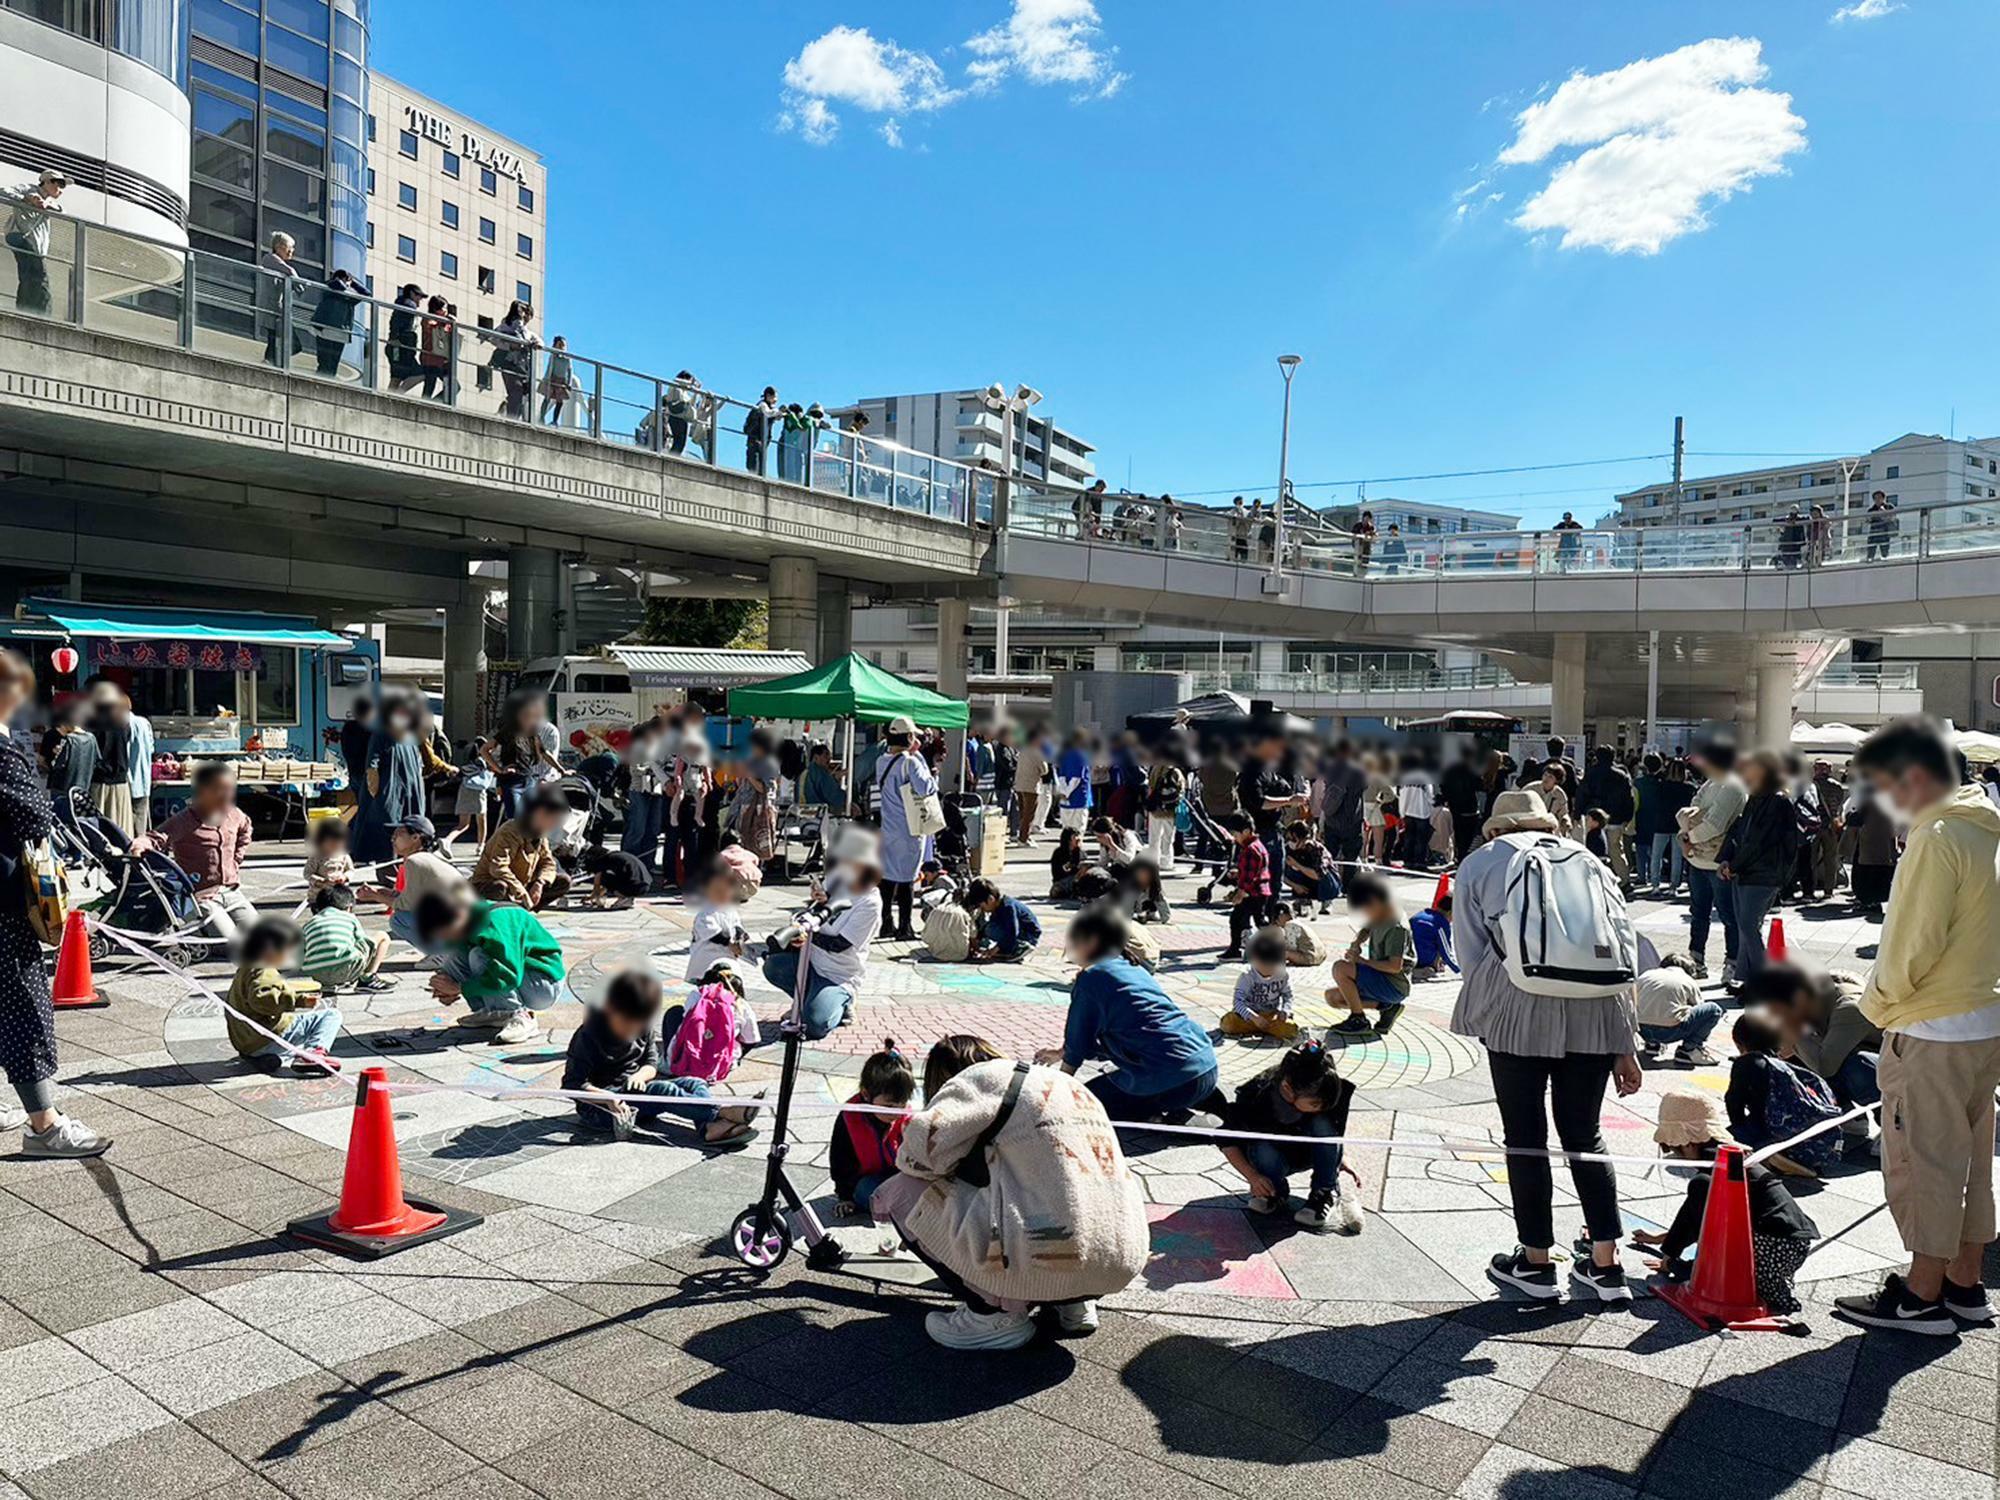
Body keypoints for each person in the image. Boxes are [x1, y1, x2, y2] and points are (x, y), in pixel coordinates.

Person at [1835, 717, 2000, 1334]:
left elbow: (1911, 947)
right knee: (1971, 1160)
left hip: (1933, 1025)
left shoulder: (1936, 835)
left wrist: (1874, 1008)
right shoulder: (1986, 827)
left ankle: (1919, 1297)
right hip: (1986, 1018)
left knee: (1926, 1162)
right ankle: (1965, 1283)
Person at [1452, 787, 1642, 1304]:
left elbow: (1470, 954)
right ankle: (1606, 1264)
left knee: (1525, 1135)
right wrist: (1626, 1041)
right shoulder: (1587, 859)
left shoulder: (1480, 863)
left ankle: (1536, 1263)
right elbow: (1621, 942)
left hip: (1518, 1007)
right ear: (1548, 824)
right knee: (1585, 1131)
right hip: (1596, 1009)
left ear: (1496, 828)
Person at [869, 1032, 1146, 1350]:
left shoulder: (982, 1079)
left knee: (898, 1190)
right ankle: (1071, 1304)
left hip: (1051, 1258)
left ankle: (990, 1315)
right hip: (1119, 1258)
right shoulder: (1065, 1085)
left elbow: (918, 1155)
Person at [0, 651, 109, 1156]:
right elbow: (35, 816)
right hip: (4, 901)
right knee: (23, 1002)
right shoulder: (2, 752)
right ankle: (44, 1123)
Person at [1633, 1091, 1818, 1316]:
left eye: (1676, 1149)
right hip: (1791, 1242)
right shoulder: (1726, 1157)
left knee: (1706, 1277)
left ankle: (1765, 1289)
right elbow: (1695, 1213)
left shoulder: (1711, 1173)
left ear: (1688, 1142)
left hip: (1773, 1244)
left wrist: (1669, 1257)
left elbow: (1697, 1211)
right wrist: (1664, 1241)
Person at [1039, 906, 1223, 1123]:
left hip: (1176, 1079)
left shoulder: (1091, 977)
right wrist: (1062, 1052)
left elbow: (1078, 1042)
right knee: (1119, 1081)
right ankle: (1191, 1107)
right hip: (1205, 1065)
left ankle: (1176, 1119)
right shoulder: (1131, 965)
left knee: (1088, 1101)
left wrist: (1059, 1093)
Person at [564, 970, 755, 1144]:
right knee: (664, 1089)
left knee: (694, 1083)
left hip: (636, 1090)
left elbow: (650, 1062)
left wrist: (639, 1076)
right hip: (605, 1108)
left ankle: (708, 1128)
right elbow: (572, 1084)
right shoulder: (589, 1034)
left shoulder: (642, 1025)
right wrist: (608, 1098)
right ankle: (721, 1112)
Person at [1221, 1042, 1361, 1232]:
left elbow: (1332, 1135)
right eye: (1314, 1104)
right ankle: (1274, 1191)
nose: (1322, 1107)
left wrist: (1335, 1158)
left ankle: (1323, 1193)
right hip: (1274, 1153)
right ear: (1287, 1088)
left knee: (1322, 1122)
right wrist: (1253, 1177)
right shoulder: (1256, 1096)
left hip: (1307, 1150)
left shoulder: (1327, 1089)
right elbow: (1226, 1140)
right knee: (1261, 1146)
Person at [761, 831, 883, 1039]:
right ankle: (807, 1001)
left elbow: (840, 944)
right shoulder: (837, 878)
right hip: (811, 961)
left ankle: (843, 1003)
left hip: (838, 974)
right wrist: (816, 900)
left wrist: (808, 935)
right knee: (773, 966)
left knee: (815, 1025)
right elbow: (817, 910)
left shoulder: (870, 902)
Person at [416, 887, 573, 1045]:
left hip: (543, 985)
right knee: (458, 955)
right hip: (524, 977)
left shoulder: (495, 923)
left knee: (479, 955)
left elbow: (506, 976)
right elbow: (457, 961)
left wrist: (459, 988)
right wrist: (444, 985)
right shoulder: (466, 922)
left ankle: (519, 1015)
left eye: (446, 932)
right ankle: (494, 1012)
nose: (446, 939)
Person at [1742, 962, 1880, 1140]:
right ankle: (1848, 1117)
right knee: (1793, 1058)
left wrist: (1793, 1036)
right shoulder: (1817, 1000)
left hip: (1892, 1071)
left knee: (1857, 1066)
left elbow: (1825, 1066)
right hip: (1858, 1055)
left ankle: (1895, 1129)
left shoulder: (1849, 1007)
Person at [148, 760, 256, 947]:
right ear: (203, 790)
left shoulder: (234, 814)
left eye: (230, 789)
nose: (226, 795)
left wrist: (236, 860)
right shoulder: (185, 820)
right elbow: (157, 837)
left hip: (230, 892)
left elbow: (246, 829)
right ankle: (196, 931)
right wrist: (140, 845)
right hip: (202, 897)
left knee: (265, 937)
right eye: (219, 789)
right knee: (232, 946)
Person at [1724, 1008, 1842, 1176]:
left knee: (1720, 1139)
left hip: (1769, 1132)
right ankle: (1790, 1158)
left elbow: (1733, 1103)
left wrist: (1737, 1133)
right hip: (1809, 1139)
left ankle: (1769, 1154)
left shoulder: (1747, 1063)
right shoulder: (1788, 1065)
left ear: (1739, 1042)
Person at [1716, 748, 1798, 983]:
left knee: (1748, 927)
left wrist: (1733, 864)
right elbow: (1739, 832)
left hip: (1763, 873)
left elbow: (1759, 841)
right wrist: (1726, 859)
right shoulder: (1757, 798)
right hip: (1747, 871)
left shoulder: (1777, 802)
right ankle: (1746, 977)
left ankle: (1762, 981)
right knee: (1746, 928)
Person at [225, 918, 341, 1073]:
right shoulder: (263, 968)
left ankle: (272, 1058)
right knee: (331, 1015)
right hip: (266, 1036)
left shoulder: (246, 968)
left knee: (295, 1041)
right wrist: (298, 1000)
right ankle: (313, 1054)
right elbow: (260, 999)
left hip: (247, 1043)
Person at [1677, 741, 1748, 981]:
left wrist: (1689, 836)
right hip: (1698, 859)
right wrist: (1691, 830)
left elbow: (1715, 824)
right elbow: (1688, 811)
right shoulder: (1712, 782)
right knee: (1699, 913)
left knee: (1729, 915)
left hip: (1719, 862)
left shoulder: (1733, 785)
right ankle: (1696, 958)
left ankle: (1733, 962)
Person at [831, 1040, 915, 1216]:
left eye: (902, 1104)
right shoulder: (850, 1117)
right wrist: (844, 1196)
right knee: (868, 1193)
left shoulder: (906, 1116)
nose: (897, 1112)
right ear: (866, 1095)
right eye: (889, 1106)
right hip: (866, 1180)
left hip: (898, 1174)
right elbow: (839, 1161)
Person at [1327, 873, 1412, 1037]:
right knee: (1333, 998)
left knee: (1340, 968)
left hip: (1393, 984)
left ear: (1374, 901)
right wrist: (1357, 943)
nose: (1364, 913)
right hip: (1379, 978)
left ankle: (1358, 1019)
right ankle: (1387, 1007)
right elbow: (1367, 928)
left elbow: (1395, 967)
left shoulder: (1396, 927)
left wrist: (1362, 961)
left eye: (1365, 908)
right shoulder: (1381, 911)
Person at [876, 716, 937, 942]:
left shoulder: (881, 761)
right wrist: (920, 756)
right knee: (907, 878)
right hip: (910, 828)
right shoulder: (910, 762)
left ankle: (886, 923)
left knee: (888, 877)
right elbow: (926, 788)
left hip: (888, 827)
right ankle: (905, 926)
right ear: (909, 737)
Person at [352, 694, 426, 866]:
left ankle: (402, 863)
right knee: (386, 831)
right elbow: (372, 768)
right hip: (390, 791)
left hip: (408, 791)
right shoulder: (382, 734)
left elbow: (419, 763)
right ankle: (387, 864)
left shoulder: (409, 736)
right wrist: (377, 795)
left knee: (408, 828)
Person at [472, 787, 571, 910]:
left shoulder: (541, 833)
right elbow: (498, 867)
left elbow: (548, 863)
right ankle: (507, 911)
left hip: (519, 884)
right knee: (500, 887)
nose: (557, 824)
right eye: (555, 819)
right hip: (490, 883)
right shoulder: (510, 831)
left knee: (563, 881)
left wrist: (539, 883)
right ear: (541, 813)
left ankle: (523, 909)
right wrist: (522, 892)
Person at [297, 885, 392, 995]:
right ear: (349, 907)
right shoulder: (349, 917)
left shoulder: (309, 924)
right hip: (347, 967)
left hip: (316, 973)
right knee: (382, 937)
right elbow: (362, 940)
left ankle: (328, 984)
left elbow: (300, 952)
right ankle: (367, 979)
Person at [1634, 951, 1723, 1065]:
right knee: (1714, 1010)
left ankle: (1652, 1045)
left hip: (1641, 1029)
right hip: (1671, 1030)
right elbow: (1698, 1006)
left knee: (1650, 1008)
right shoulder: (1687, 980)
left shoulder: (1647, 975)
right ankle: (1689, 1049)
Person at [6, 169, 66, 315]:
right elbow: (4, 190)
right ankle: (44, 314)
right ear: (46, 181)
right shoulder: (28, 189)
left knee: (28, 276)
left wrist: (47, 204)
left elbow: (61, 210)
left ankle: (24, 309)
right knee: (41, 276)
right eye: (58, 184)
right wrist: (25, 199)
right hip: (21, 235)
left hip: (36, 244)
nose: (60, 190)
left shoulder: (50, 201)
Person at [1221, 929, 1298, 1040]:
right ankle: (1256, 1028)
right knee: (1229, 1024)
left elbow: (1288, 996)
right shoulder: (1247, 976)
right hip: (1248, 1017)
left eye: (1273, 965)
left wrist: (1285, 1010)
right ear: (1254, 960)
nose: (1269, 969)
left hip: (1270, 1016)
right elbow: (1237, 1003)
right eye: (1265, 965)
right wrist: (1254, 1017)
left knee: (1290, 1029)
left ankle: (1266, 1028)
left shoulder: (1282, 975)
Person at [1220, 813, 1275, 960]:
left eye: (1235, 834)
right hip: (1259, 891)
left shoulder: (1250, 849)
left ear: (1245, 831)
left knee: (1246, 920)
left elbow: (1251, 876)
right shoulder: (1257, 846)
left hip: (1253, 892)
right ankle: (1237, 949)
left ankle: (1274, 944)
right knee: (1253, 920)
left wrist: (1240, 892)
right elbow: (1253, 870)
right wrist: (1239, 873)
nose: (1234, 838)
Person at [87, 685, 138, 836]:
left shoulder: (92, 723)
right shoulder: (123, 724)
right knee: (120, 826)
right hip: (120, 782)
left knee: (100, 828)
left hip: (99, 781)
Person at [1580, 747, 1634, 882]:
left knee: (1594, 850)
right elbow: (1629, 798)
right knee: (1616, 851)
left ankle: (1595, 879)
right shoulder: (1621, 775)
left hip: (1595, 817)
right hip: (1617, 818)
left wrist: (1578, 813)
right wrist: (1627, 817)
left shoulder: (1591, 773)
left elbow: (1583, 794)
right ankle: (1624, 879)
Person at [1843, 782, 1898, 916]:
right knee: (1880, 875)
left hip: (1868, 846)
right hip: (1885, 847)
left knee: (1866, 876)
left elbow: (1854, 820)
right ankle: (1876, 902)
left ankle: (1868, 903)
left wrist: (1850, 814)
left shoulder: (1868, 805)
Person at [1318, 739, 1367, 879]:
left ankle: (1330, 883)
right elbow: (1364, 788)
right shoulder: (1358, 771)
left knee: (1329, 855)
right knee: (1351, 857)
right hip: (1352, 819)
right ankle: (1347, 886)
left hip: (1332, 817)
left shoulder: (1330, 767)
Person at [963, 878, 1041, 962]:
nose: (982, 910)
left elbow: (1012, 931)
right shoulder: (997, 907)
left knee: (991, 929)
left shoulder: (1008, 907)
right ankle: (1009, 947)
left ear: (990, 899)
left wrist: (995, 949)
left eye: (982, 906)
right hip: (1018, 932)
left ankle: (1020, 947)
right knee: (987, 928)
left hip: (1028, 935)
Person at [258, 231, 303, 366]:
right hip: (272, 308)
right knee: (280, 340)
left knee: (277, 341)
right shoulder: (270, 258)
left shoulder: (274, 261)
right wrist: (299, 285)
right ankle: (272, 363)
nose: (291, 251)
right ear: (279, 246)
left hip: (277, 309)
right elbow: (289, 271)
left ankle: (272, 362)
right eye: (289, 247)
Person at [309, 268, 363, 377]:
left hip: (340, 333)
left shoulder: (349, 295)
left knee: (333, 364)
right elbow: (337, 284)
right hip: (325, 330)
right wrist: (346, 284)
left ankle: (327, 383)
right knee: (324, 362)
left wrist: (354, 284)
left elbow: (367, 294)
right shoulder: (330, 286)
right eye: (347, 280)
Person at [1632, 753, 1674, 889]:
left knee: (1640, 848)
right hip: (1659, 819)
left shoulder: (1637, 782)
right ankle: (1654, 875)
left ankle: (1641, 876)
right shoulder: (1663, 783)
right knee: (1656, 852)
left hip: (1641, 817)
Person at [1142, 745, 1186, 875]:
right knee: (1168, 838)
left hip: (1155, 809)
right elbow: (1181, 791)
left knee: (1154, 838)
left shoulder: (1155, 769)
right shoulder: (1176, 771)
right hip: (1169, 810)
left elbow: (1150, 788)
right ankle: (1166, 863)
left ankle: (1153, 861)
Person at [491, 300, 537, 419]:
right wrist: (510, 345)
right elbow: (494, 338)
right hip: (511, 362)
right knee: (516, 392)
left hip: (520, 365)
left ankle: (509, 413)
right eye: (523, 312)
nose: (525, 316)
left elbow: (535, 340)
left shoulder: (524, 329)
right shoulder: (507, 325)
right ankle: (511, 418)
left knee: (520, 393)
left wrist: (531, 343)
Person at [45, 698, 97, 803]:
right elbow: (96, 761)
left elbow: (58, 765)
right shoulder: (92, 738)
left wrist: (57, 754)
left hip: (63, 789)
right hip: (83, 787)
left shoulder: (69, 740)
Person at [1282, 819, 1338, 915]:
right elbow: (1279, 873)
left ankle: (1327, 900)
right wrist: (1294, 886)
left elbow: (1319, 875)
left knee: (1325, 876)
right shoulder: (1288, 850)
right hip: (1303, 882)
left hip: (1324, 882)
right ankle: (1303, 899)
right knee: (1290, 870)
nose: (1291, 842)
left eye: (1293, 839)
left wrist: (1297, 865)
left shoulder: (1316, 849)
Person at [455, 735, 497, 846]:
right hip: (479, 791)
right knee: (482, 820)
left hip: (465, 788)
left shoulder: (468, 759)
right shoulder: (484, 761)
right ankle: (480, 845)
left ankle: (448, 840)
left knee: (463, 823)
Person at [1053, 729, 1094, 834]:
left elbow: (1061, 775)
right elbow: (1077, 778)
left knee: (1066, 830)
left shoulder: (1064, 755)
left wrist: (1063, 792)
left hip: (1065, 798)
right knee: (1078, 830)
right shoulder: (1081, 755)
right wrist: (1067, 793)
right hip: (1078, 797)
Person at [1410, 892, 1457, 981]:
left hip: (1409, 957)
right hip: (1424, 960)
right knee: (1439, 943)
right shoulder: (1441, 923)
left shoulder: (1420, 915)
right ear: (1451, 912)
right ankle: (1425, 969)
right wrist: (1459, 970)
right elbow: (1446, 951)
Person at [385, 282, 424, 392]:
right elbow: (396, 323)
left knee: (396, 377)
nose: (419, 300)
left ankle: (390, 398)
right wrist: (396, 338)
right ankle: (398, 394)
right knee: (420, 373)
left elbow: (394, 323)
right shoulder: (409, 305)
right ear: (412, 294)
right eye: (418, 296)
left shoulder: (402, 304)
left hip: (396, 346)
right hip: (402, 346)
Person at [1015, 727, 1049, 845]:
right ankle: (1023, 839)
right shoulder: (1037, 752)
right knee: (1029, 814)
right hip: (1031, 786)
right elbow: (1044, 769)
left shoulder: (1022, 750)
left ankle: (1023, 835)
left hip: (1019, 785)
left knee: (1022, 813)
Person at [418, 294, 456, 400]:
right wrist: (445, 322)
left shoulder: (447, 323)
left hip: (443, 360)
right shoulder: (427, 319)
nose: (446, 311)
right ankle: (426, 404)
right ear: (436, 309)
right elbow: (432, 328)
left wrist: (451, 323)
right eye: (444, 308)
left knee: (453, 386)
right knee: (430, 384)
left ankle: (435, 402)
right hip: (430, 358)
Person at [743, 386, 780, 474]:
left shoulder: (769, 407)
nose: (775, 400)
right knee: (754, 462)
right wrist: (777, 412)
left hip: (762, 439)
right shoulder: (762, 405)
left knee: (761, 464)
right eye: (774, 397)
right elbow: (767, 413)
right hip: (755, 438)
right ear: (768, 395)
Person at [1048, 825, 1083, 899]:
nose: (1078, 839)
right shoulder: (1059, 852)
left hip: (1077, 879)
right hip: (1062, 879)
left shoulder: (1080, 852)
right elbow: (1061, 871)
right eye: (1074, 836)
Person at [1864, 491, 1898, 562]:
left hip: (1884, 533)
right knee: (1871, 551)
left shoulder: (1889, 507)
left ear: (1883, 498)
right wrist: (1870, 518)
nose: (1878, 500)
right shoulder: (1871, 510)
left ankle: (1885, 561)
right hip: (1873, 533)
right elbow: (1867, 521)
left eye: (1879, 497)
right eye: (1875, 498)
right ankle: (1870, 560)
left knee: (1885, 552)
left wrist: (1884, 512)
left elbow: (1893, 518)